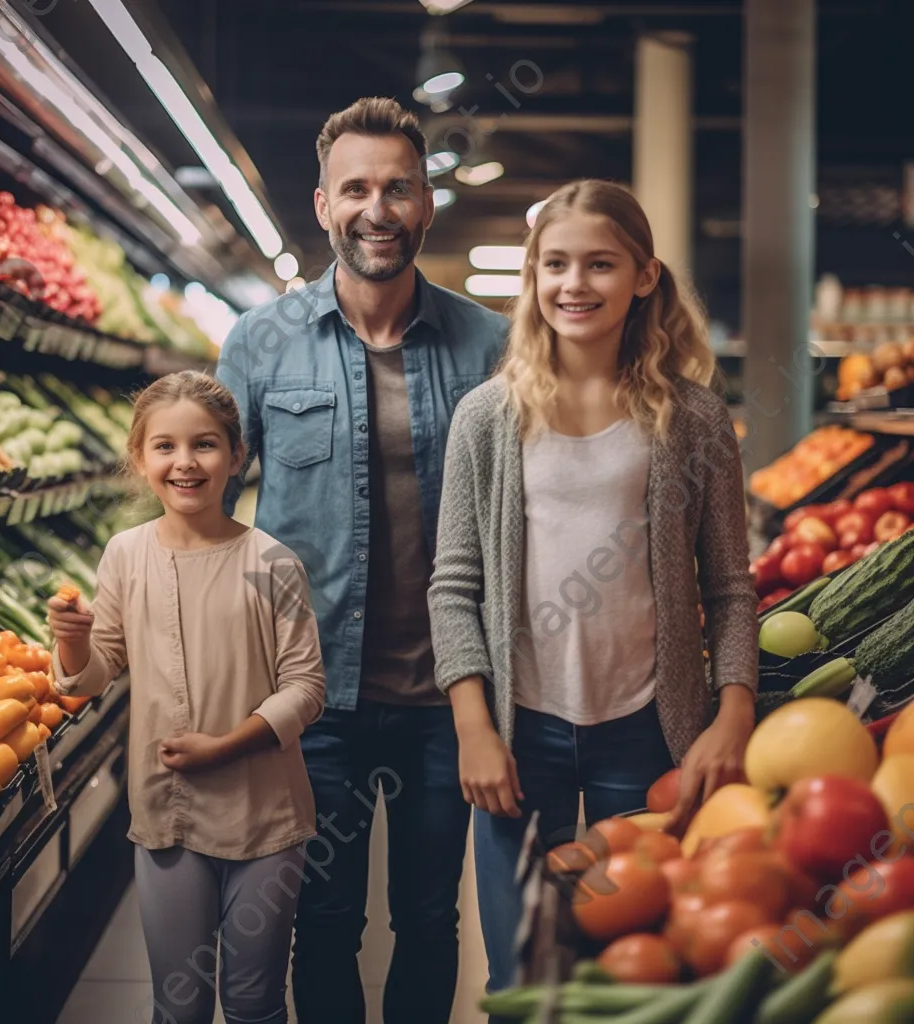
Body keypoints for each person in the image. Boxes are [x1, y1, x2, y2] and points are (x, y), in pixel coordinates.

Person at [427, 180, 759, 1002]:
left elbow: (729, 589)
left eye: (600, 265)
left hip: (647, 732)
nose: (575, 285)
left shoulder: (694, 420)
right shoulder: (488, 419)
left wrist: (733, 712)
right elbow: (454, 585)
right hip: (520, 732)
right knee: (520, 970)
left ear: (643, 277)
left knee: (630, 963)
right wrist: (473, 725)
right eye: (557, 265)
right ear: (533, 278)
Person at [216, 97, 510, 1024]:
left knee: (430, 921)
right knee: (326, 918)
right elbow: (203, 519)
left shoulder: (492, 347)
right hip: (312, 702)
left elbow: (525, 514)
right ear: (322, 204)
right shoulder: (259, 344)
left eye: (397, 188)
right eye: (356, 189)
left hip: (447, 699)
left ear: (426, 205)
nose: (375, 209)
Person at [46, 371, 325, 1024]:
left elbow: (307, 689)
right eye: (165, 447)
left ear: (235, 456)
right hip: (166, 814)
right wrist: (73, 644)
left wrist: (225, 747)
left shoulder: (272, 562)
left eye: (204, 445)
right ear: (140, 459)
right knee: (178, 1001)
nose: (185, 463)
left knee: (254, 1000)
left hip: (265, 816)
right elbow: (98, 673)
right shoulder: (125, 554)